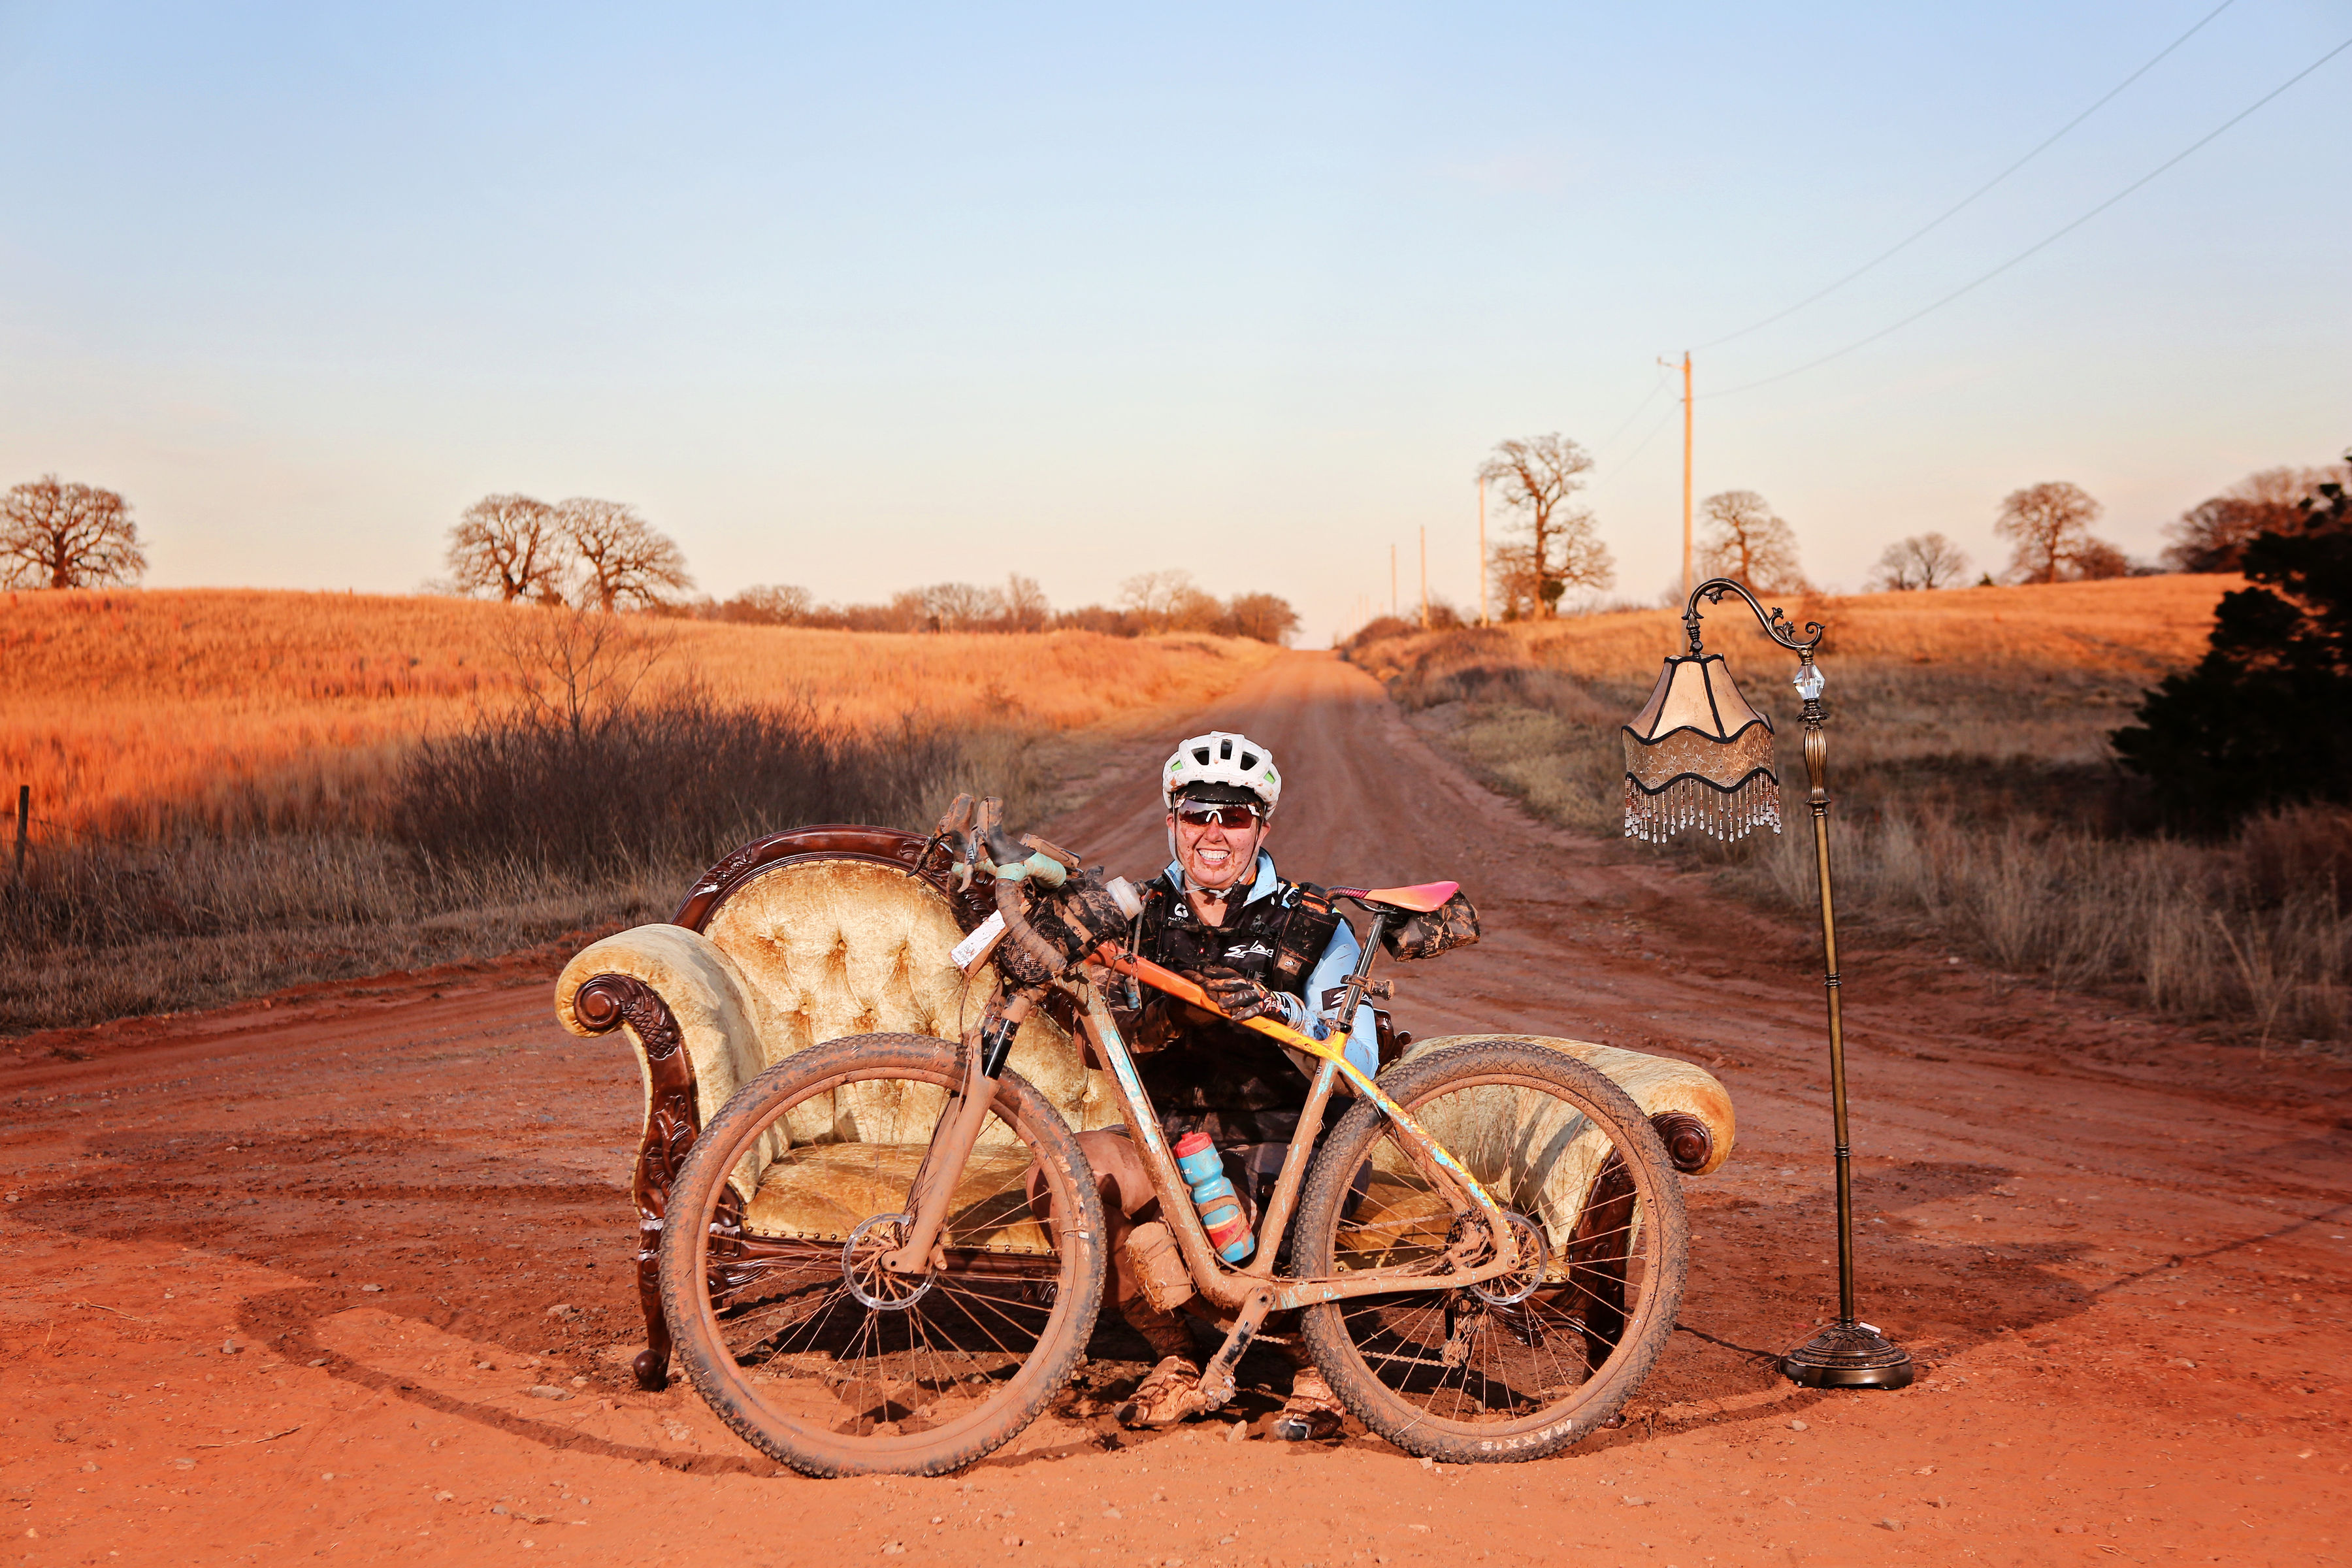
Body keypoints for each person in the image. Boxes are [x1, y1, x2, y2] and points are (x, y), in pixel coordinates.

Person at [1049, 730, 1378, 1440]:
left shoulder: (1315, 926)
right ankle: (1175, 1357)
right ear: (1172, 820)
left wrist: (1279, 1010)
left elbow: (1361, 1064)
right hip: (1170, 1138)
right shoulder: (1135, 916)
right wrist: (1159, 1019)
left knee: (1236, 1234)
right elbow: (1090, 1048)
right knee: (1065, 1174)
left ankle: (1316, 1369)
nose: (1214, 833)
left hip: (1291, 1141)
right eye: (1198, 814)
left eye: (1234, 816)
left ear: (1263, 828)